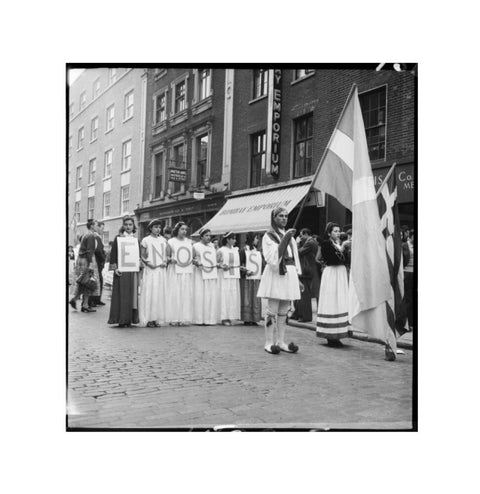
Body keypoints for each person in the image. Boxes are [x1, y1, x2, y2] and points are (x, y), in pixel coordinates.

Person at [257, 207, 303, 354]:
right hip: (276, 274)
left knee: (284, 310)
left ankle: (281, 341)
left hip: (289, 273)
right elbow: (271, 258)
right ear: (274, 218)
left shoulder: (289, 236)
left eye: (286, 216)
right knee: (272, 309)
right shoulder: (269, 236)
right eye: (281, 216)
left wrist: (297, 276)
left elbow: (294, 257)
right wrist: (284, 240)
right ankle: (269, 342)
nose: (284, 218)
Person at [316, 222, 350, 347]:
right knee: (331, 301)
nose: (337, 233)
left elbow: (346, 260)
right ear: (329, 233)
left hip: (340, 273)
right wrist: (344, 250)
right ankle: (330, 335)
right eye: (335, 231)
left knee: (340, 300)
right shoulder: (326, 244)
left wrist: (345, 249)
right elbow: (332, 259)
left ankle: (338, 333)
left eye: (338, 231)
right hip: (332, 273)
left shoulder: (340, 244)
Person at [107, 216, 141, 327]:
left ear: (133, 226)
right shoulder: (118, 238)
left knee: (131, 295)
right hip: (121, 271)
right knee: (122, 295)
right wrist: (115, 268)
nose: (128, 227)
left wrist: (140, 264)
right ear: (123, 226)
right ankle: (121, 319)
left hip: (132, 271)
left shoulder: (136, 239)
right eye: (126, 224)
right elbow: (113, 255)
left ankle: (130, 319)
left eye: (130, 224)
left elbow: (138, 255)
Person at [138, 219, 168, 327]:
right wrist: (148, 263)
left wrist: (165, 261)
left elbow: (166, 254)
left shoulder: (163, 240)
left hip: (161, 269)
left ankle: (157, 318)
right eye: (155, 227)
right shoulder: (146, 240)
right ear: (150, 228)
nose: (158, 229)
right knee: (151, 292)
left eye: (159, 227)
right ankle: (149, 318)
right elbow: (142, 255)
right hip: (151, 269)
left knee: (159, 293)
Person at [69, 219, 101, 313]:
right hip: (87, 260)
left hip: (82, 259)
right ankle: (84, 304)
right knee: (88, 282)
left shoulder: (85, 235)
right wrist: (90, 264)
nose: (97, 226)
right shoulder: (90, 235)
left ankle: (78, 301)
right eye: (96, 225)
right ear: (92, 226)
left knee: (83, 282)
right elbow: (89, 251)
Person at [166, 222, 193, 326]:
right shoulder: (171, 242)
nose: (184, 231)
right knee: (175, 292)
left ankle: (184, 317)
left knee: (185, 293)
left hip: (186, 270)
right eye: (182, 229)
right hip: (175, 270)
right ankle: (174, 317)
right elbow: (167, 256)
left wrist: (194, 260)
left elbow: (192, 255)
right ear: (177, 230)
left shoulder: (189, 242)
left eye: (186, 229)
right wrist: (170, 260)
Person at [192, 228, 219, 325]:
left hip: (211, 274)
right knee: (200, 295)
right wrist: (196, 263)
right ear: (201, 236)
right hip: (200, 274)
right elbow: (191, 259)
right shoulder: (195, 246)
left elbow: (215, 260)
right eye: (206, 235)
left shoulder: (212, 247)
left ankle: (210, 319)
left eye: (209, 235)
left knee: (210, 295)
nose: (208, 237)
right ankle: (199, 319)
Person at [292, 228, 319, 323]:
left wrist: (297, 243)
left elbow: (298, 252)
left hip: (307, 271)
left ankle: (306, 316)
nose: (301, 237)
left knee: (305, 295)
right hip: (308, 270)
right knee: (302, 294)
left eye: (301, 235)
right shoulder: (312, 242)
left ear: (306, 234)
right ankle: (298, 314)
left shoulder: (310, 242)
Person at [217, 232, 241, 326]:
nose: (235, 241)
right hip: (224, 277)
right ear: (228, 239)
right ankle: (224, 317)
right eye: (233, 238)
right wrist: (222, 266)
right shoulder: (221, 250)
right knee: (225, 296)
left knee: (232, 296)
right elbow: (216, 263)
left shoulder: (236, 250)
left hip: (234, 276)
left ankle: (231, 316)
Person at [239, 232, 263, 326]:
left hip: (256, 278)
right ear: (251, 239)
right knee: (247, 297)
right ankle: (247, 318)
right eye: (256, 238)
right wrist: (245, 271)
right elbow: (240, 264)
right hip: (247, 279)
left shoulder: (257, 251)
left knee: (255, 297)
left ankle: (254, 318)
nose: (257, 240)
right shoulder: (243, 250)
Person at [90, 221, 106, 307]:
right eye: (102, 228)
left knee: (99, 281)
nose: (103, 230)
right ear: (98, 227)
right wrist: (104, 258)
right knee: (96, 281)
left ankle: (97, 300)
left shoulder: (98, 237)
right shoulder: (96, 237)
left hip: (98, 262)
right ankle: (93, 300)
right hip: (96, 262)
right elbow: (98, 251)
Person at [402, 228, 414, 331]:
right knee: (408, 299)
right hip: (406, 274)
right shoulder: (404, 246)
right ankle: (408, 323)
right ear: (410, 237)